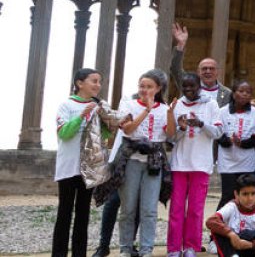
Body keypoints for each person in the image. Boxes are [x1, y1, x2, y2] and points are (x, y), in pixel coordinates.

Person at [55, 67, 118, 257]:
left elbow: (104, 136)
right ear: (79, 83)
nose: (98, 85)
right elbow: (64, 133)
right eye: (94, 81)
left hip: (89, 169)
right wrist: (82, 115)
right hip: (68, 167)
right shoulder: (66, 105)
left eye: (99, 82)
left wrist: (109, 124)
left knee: (83, 215)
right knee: (64, 214)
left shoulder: (98, 106)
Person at [118, 70, 177, 257]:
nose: (144, 90)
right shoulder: (129, 104)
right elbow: (127, 130)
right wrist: (146, 110)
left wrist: (169, 113)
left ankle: (146, 249)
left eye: (149, 87)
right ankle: (125, 248)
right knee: (128, 208)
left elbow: (170, 134)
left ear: (158, 88)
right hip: (132, 160)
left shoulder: (164, 108)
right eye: (142, 86)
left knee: (149, 209)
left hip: (154, 162)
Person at [169, 72, 223, 257]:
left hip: (201, 164)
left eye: (192, 86)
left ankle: (191, 247)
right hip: (179, 164)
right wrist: (182, 128)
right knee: (176, 209)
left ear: (199, 86)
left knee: (195, 209)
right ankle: (174, 248)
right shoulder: (176, 106)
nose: (188, 90)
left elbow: (218, 132)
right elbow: (171, 138)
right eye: (185, 86)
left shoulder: (211, 104)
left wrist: (201, 123)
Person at [205, 173, 255, 257]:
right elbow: (211, 221)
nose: (250, 198)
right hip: (233, 250)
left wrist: (249, 244)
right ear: (236, 194)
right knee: (217, 230)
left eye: (253, 193)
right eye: (245, 194)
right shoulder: (231, 207)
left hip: (252, 250)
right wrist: (231, 235)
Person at [218, 81, 255, 207]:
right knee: (227, 196)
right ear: (233, 94)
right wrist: (229, 141)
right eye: (241, 91)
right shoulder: (222, 112)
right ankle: (218, 224)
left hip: (247, 162)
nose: (245, 94)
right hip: (227, 161)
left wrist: (242, 143)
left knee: (245, 197)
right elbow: (218, 136)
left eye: (248, 92)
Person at [170, 23, 231, 106]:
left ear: (218, 72)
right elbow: (175, 68)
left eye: (211, 69)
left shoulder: (227, 93)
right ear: (198, 72)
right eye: (204, 69)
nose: (208, 71)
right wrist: (181, 45)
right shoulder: (188, 85)